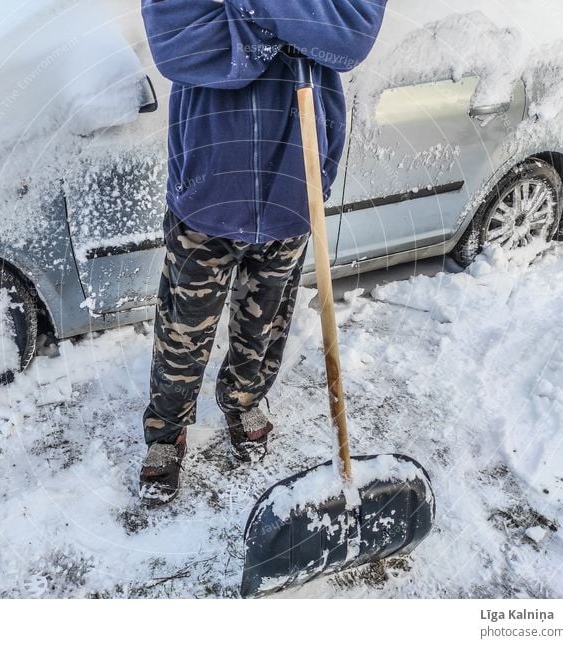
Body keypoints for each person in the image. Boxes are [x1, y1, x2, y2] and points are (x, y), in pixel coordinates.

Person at [139, 0, 387, 504]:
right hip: (208, 187)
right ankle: (166, 430)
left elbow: (350, 37)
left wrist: (243, 15)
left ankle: (244, 399)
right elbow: (178, 44)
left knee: (265, 319)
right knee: (184, 327)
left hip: (294, 187)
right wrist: (296, 29)